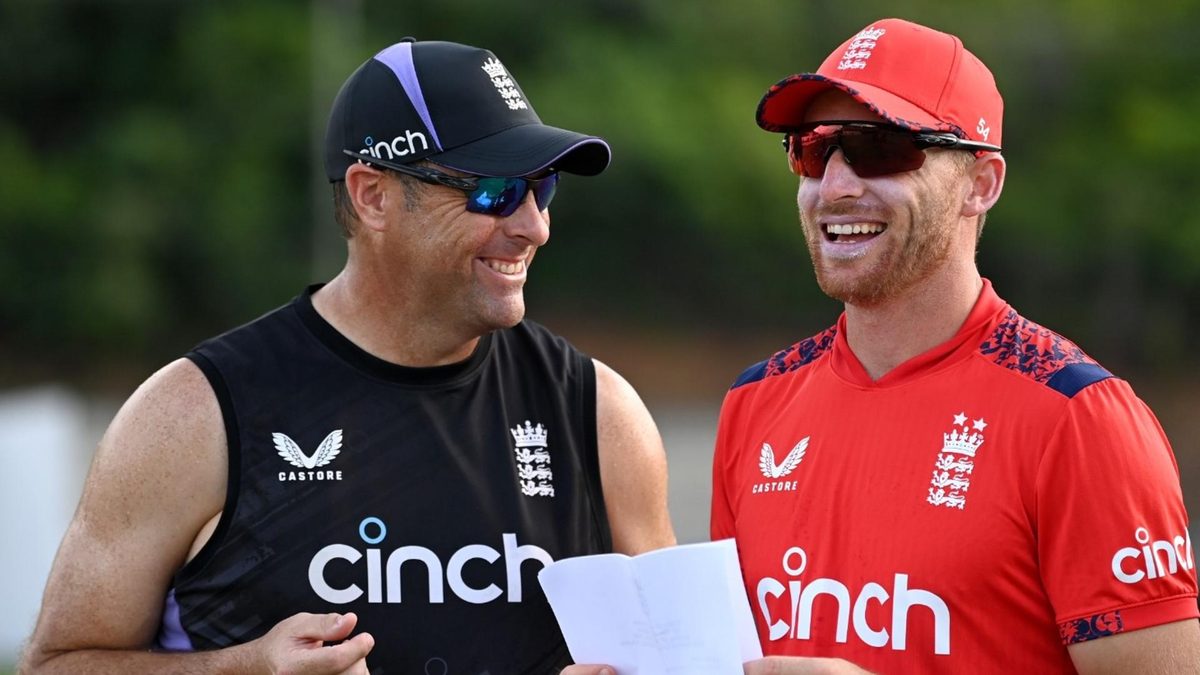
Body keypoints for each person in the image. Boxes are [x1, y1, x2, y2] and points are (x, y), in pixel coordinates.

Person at [19, 38, 675, 674]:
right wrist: (245, 669)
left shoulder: (599, 413)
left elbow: (679, 660)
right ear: (372, 195)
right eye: (496, 189)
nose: (535, 224)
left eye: (543, 187)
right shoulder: (194, 414)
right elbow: (55, 663)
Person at [568, 16, 1200, 675]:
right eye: (813, 149)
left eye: (878, 149)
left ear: (980, 183)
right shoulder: (758, 399)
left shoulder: (1079, 417)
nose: (835, 185)